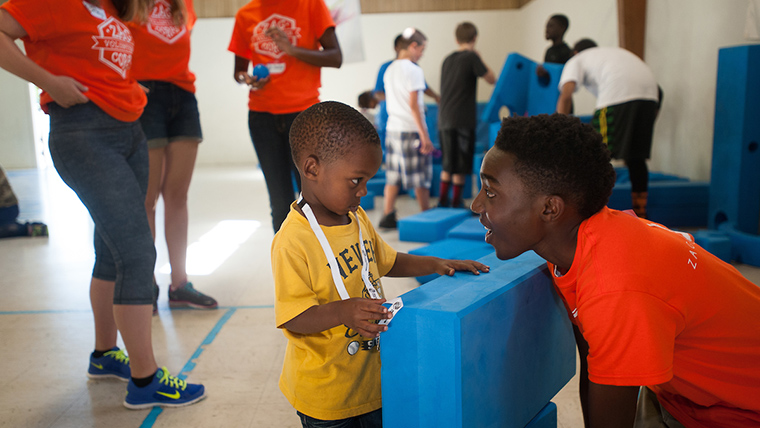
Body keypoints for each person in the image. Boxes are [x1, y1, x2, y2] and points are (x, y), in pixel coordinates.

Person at [471, 114, 760, 428]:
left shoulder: (614, 287)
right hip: (686, 398)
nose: (476, 205)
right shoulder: (586, 242)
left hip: (740, 411)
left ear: (550, 209)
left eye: (490, 192)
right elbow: (595, 363)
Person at [0, 0, 205, 409]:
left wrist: (126, 87)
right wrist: (48, 82)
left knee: (112, 252)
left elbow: (99, 61)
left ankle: (104, 355)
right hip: (83, 133)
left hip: (129, 128)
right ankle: (146, 381)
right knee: (135, 250)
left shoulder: (112, 8)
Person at [273, 100, 489, 427]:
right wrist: (344, 311)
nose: (363, 191)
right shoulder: (292, 241)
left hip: (373, 380)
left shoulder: (356, 217)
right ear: (312, 168)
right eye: (355, 181)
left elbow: (386, 261)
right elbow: (294, 318)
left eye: (367, 180)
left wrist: (435, 263)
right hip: (326, 396)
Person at [130, 0, 217, 312]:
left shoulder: (184, 6)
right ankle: (145, 284)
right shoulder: (127, 5)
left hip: (182, 96)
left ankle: (179, 284)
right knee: (148, 199)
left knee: (178, 196)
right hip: (143, 95)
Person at [228, 0, 342, 233]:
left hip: (305, 117)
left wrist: (292, 50)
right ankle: (288, 266)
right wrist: (247, 80)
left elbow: (335, 57)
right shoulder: (245, 15)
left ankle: (322, 262)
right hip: (262, 118)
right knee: (280, 203)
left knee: (314, 200)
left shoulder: (311, 5)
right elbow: (239, 72)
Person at [557, 39, 661, 218]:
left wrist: (559, 128)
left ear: (575, 52)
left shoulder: (576, 60)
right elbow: (660, 91)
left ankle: (590, 213)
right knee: (636, 157)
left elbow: (566, 94)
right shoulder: (613, 54)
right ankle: (640, 212)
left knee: (594, 155)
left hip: (617, 97)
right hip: (650, 97)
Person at [379, 27, 434, 229]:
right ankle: (427, 215)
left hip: (393, 129)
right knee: (420, 177)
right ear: (412, 46)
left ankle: (387, 214)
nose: (421, 54)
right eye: (421, 49)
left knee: (392, 176)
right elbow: (413, 106)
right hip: (411, 130)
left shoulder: (389, 69)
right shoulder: (413, 70)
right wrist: (425, 136)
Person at [437, 22, 495, 208]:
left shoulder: (447, 59)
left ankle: (442, 200)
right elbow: (492, 79)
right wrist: (480, 57)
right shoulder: (471, 57)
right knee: (461, 164)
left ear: (456, 39)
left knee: (448, 163)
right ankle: (456, 201)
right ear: (474, 38)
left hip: (444, 118)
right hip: (462, 119)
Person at [0, 164, 48, 238]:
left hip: (6, 208)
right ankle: (11, 227)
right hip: (7, 209)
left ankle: (25, 229)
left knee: (4, 228)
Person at [536, 14, 572, 79]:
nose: (546, 30)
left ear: (562, 28)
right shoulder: (549, 51)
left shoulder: (567, 52)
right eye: (546, 26)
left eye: (550, 26)